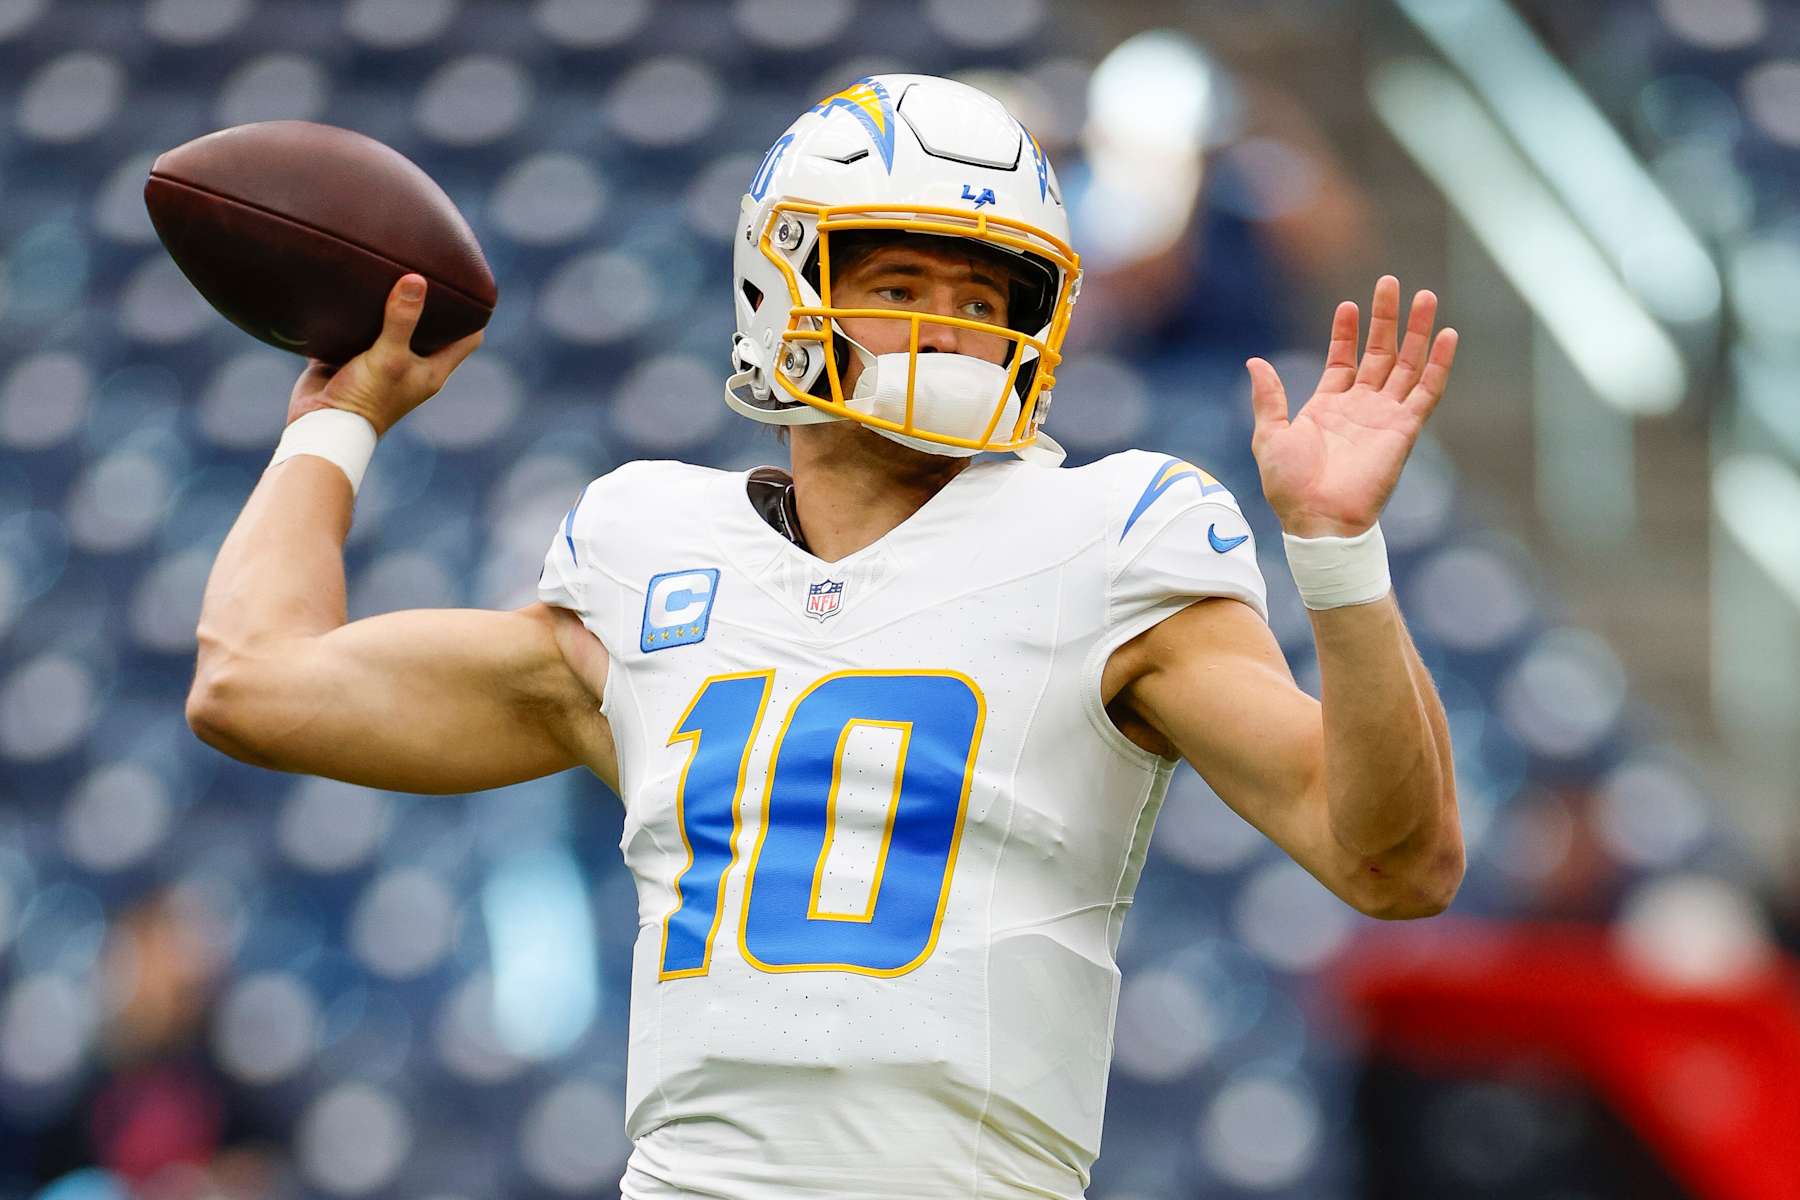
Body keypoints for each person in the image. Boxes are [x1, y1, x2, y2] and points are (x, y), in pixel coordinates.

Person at [186, 75, 1463, 1199]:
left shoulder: (1115, 535)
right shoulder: (645, 552)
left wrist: (1340, 559)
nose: (947, 325)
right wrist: (340, 420)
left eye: (984, 292)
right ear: (777, 284)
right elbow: (254, 683)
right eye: (899, 281)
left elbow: (1394, 865)